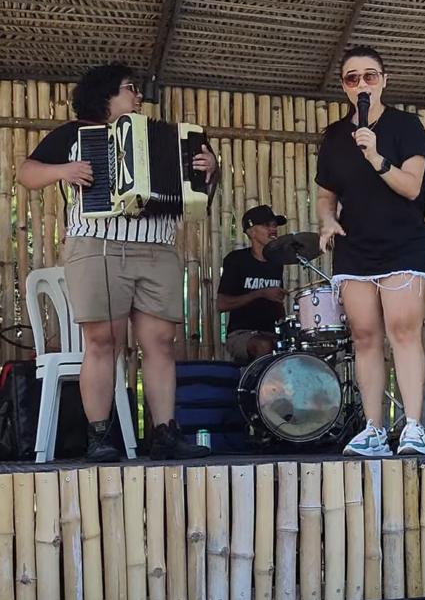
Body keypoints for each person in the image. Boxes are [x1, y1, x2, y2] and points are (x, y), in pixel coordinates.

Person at [17, 63, 218, 462]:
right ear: (105, 96)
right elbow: (27, 173)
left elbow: (200, 196)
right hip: (98, 245)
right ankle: (99, 436)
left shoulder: (175, 139)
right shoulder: (75, 134)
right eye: (129, 88)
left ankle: (165, 434)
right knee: (102, 341)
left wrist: (210, 171)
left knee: (160, 343)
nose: (138, 96)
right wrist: (65, 170)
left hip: (158, 247)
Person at [316, 45, 425, 457]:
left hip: (403, 242)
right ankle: (374, 429)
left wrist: (376, 156)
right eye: (353, 78)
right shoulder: (334, 136)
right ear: (344, 86)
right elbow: (326, 194)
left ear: (383, 81)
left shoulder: (406, 126)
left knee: (403, 330)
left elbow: (412, 187)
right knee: (364, 337)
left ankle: (413, 427)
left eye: (370, 76)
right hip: (355, 245)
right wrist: (327, 220)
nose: (362, 84)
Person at [217, 205, 288, 364]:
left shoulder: (277, 263)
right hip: (241, 334)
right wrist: (261, 293)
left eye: (274, 225)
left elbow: (277, 304)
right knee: (264, 345)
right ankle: (259, 381)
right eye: (266, 225)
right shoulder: (236, 260)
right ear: (251, 232)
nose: (273, 229)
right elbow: (221, 304)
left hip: (272, 333)